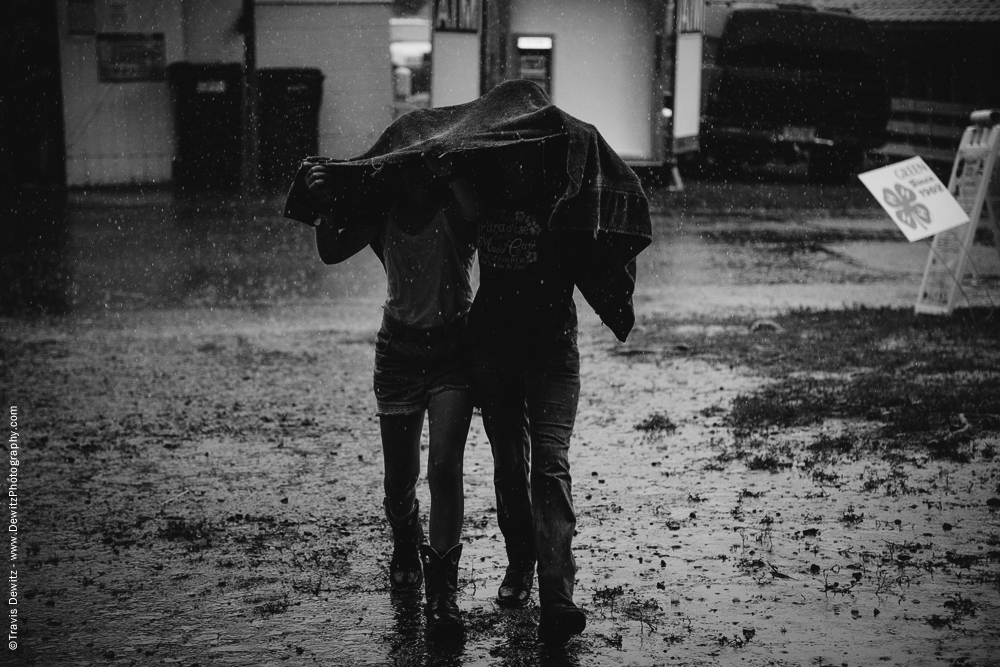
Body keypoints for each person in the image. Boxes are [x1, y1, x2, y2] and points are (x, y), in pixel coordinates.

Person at [304, 157, 476, 641]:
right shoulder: (382, 210)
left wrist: (458, 167)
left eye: (427, 164)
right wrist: (323, 206)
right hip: (398, 354)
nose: (418, 174)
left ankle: (442, 596)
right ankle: (406, 540)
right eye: (408, 165)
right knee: (399, 479)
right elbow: (333, 250)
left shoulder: (457, 208)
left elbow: (484, 215)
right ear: (395, 171)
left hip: (454, 353)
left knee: (444, 467)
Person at [426, 148, 590, 643]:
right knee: (510, 463)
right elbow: (428, 214)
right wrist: (444, 171)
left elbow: (598, 244)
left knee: (550, 464)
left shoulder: (564, 191)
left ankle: (558, 597)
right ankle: (521, 564)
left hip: (552, 353)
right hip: (493, 352)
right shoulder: (482, 186)